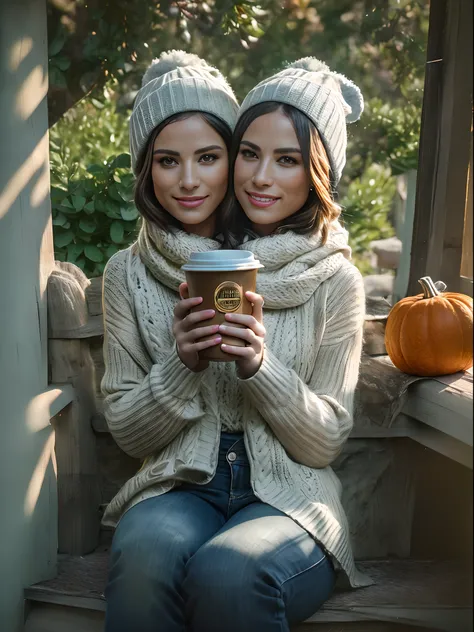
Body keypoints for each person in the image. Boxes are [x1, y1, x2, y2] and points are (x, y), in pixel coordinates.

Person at [102, 53, 371, 632]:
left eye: (289, 160)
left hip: (289, 498)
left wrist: (262, 367)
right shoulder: (129, 274)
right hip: (180, 487)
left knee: (229, 571)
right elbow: (126, 430)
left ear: (317, 173)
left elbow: (326, 442)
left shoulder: (333, 278)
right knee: (147, 556)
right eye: (251, 153)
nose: (261, 176)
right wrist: (181, 366)